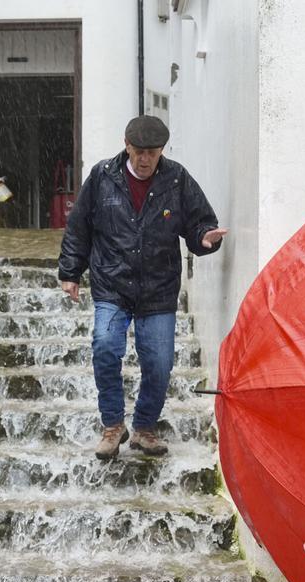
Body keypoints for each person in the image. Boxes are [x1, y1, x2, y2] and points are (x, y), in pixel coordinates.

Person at [58, 115, 227, 460]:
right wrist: (71, 272)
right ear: (127, 146)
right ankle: (112, 426)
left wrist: (204, 239)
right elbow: (78, 228)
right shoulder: (102, 177)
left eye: (152, 152)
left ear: (162, 150)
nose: (145, 159)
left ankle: (144, 428)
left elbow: (200, 224)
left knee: (160, 364)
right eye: (139, 152)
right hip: (112, 284)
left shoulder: (177, 179)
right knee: (105, 347)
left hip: (158, 288)